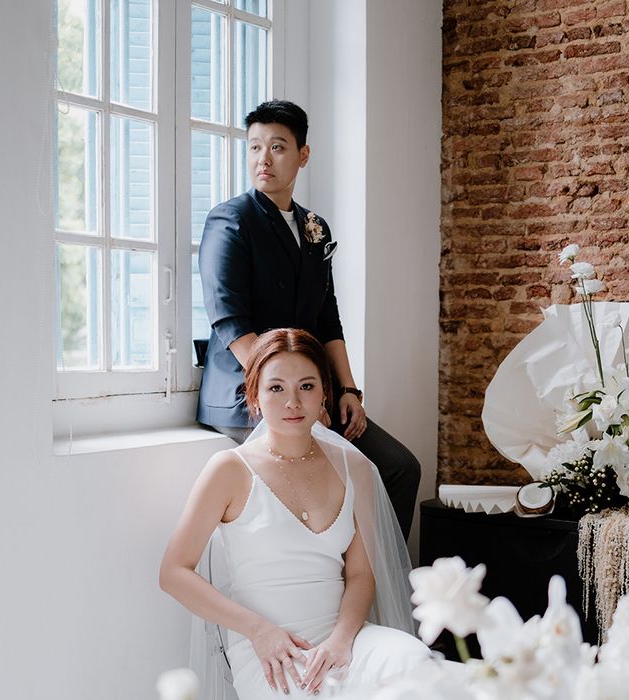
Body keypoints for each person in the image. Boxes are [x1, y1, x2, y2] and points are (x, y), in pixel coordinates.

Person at [161, 329, 433, 699]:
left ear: (325, 394)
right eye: (276, 388)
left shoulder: (353, 467)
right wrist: (259, 631)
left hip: (344, 639)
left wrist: (341, 641)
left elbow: (360, 574)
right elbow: (173, 573)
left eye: (306, 386)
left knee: (413, 661)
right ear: (253, 394)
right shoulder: (228, 470)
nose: (292, 402)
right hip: (270, 652)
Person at [197, 99, 421, 538]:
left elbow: (327, 318)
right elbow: (230, 323)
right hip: (251, 394)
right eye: (255, 147)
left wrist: (348, 390)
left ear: (303, 155)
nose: (263, 159)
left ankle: (362, 582)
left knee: (399, 468)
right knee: (321, 484)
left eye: (278, 147)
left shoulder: (314, 226)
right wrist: (287, 394)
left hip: (310, 391)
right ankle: (331, 582)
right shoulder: (231, 220)